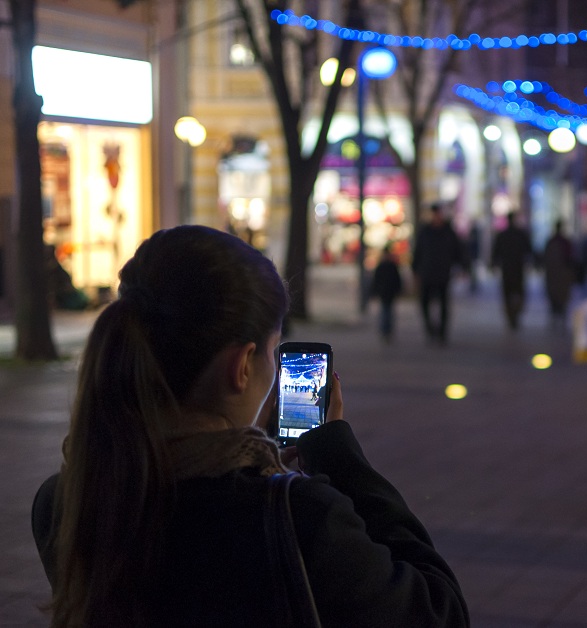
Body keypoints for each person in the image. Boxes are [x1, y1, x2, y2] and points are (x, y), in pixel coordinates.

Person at [31, 225, 469, 627]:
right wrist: (340, 457)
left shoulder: (67, 500)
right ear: (242, 365)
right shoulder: (298, 517)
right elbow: (440, 611)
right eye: (272, 351)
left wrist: (243, 439)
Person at [412, 203, 466, 344]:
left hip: (443, 273)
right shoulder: (425, 232)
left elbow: (458, 251)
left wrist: (461, 267)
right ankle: (430, 329)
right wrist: (415, 270)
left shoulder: (448, 232)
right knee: (424, 303)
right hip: (427, 273)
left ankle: (442, 332)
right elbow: (418, 252)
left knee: (443, 303)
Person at [490, 212, 534, 330]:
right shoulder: (520, 234)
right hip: (517, 268)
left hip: (508, 269)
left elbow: (496, 252)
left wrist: (494, 264)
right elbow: (529, 250)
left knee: (508, 293)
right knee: (518, 292)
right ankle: (515, 314)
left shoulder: (503, 235)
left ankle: (511, 315)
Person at [542, 220, 575, 328]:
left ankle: (556, 314)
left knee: (555, 294)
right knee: (560, 295)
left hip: (556, 274)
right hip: (560, 274)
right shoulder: (564, 242)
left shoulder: (553, 242)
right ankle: (559, 314)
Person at [371, 243, 403, 343]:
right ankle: (386, 330)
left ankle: (386, 330)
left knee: (386, 311)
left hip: (387, 292)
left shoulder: (385, 266)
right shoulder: (389, 266)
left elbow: (376, 280)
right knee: (387, 311)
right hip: (386, 292)